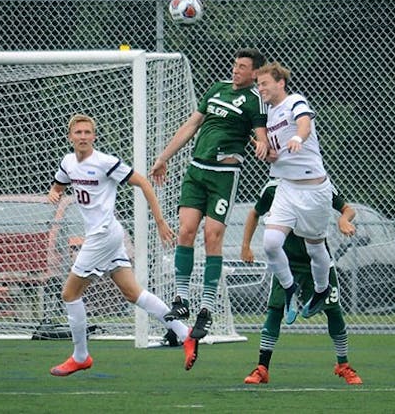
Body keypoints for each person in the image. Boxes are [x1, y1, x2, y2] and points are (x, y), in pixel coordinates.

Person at [48, 114, 194, 376]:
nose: (82, 137)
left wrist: (159, 221)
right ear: (70, 136)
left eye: (87, 132)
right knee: (132, 292)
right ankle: (186, 334)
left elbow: (144, 183)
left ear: (94, 136)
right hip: (107, 235)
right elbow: (58, 185)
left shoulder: (105, 162)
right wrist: (55, 192)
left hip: (103, 235)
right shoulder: (68, 162)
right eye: (78, 132)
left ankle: (80, 356)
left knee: (70, 294)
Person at [149, 48, 269, 363]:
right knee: (186, 231)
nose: (236, 70)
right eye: (235, 64)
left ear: (254, 73)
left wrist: (260, 144)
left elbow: (261, 136)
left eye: (242, 67)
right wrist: (163, 157)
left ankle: (207, 309)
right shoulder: (216, 89)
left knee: (212, 236)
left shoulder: (255, 101)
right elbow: (191, 126)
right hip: (196, 170)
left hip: (224, 177)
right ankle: (182, 299)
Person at [241, 179, 363, 385]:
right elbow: (254, 212)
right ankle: (262, 368)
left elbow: (348, 209)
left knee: (333, 310)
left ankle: (343, 364)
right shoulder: (273, 189)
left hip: (318, 262)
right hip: (287, 263)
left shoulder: (319, 185)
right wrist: (246, 245)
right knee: (275, 310)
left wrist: (343, 219)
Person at [255, 62, 333, 324]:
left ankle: (321, 290)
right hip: (287, 188)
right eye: (258, 84)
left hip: (314, 190)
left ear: (280, 83)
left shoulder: (295, 101)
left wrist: (298, 138)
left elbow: (304, 125)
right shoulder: (268, 115)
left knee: (315, 249)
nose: (261, 88)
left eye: (264, 83)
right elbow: (274, 154)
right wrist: (268, 154)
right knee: (270, 243)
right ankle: (290, 289)